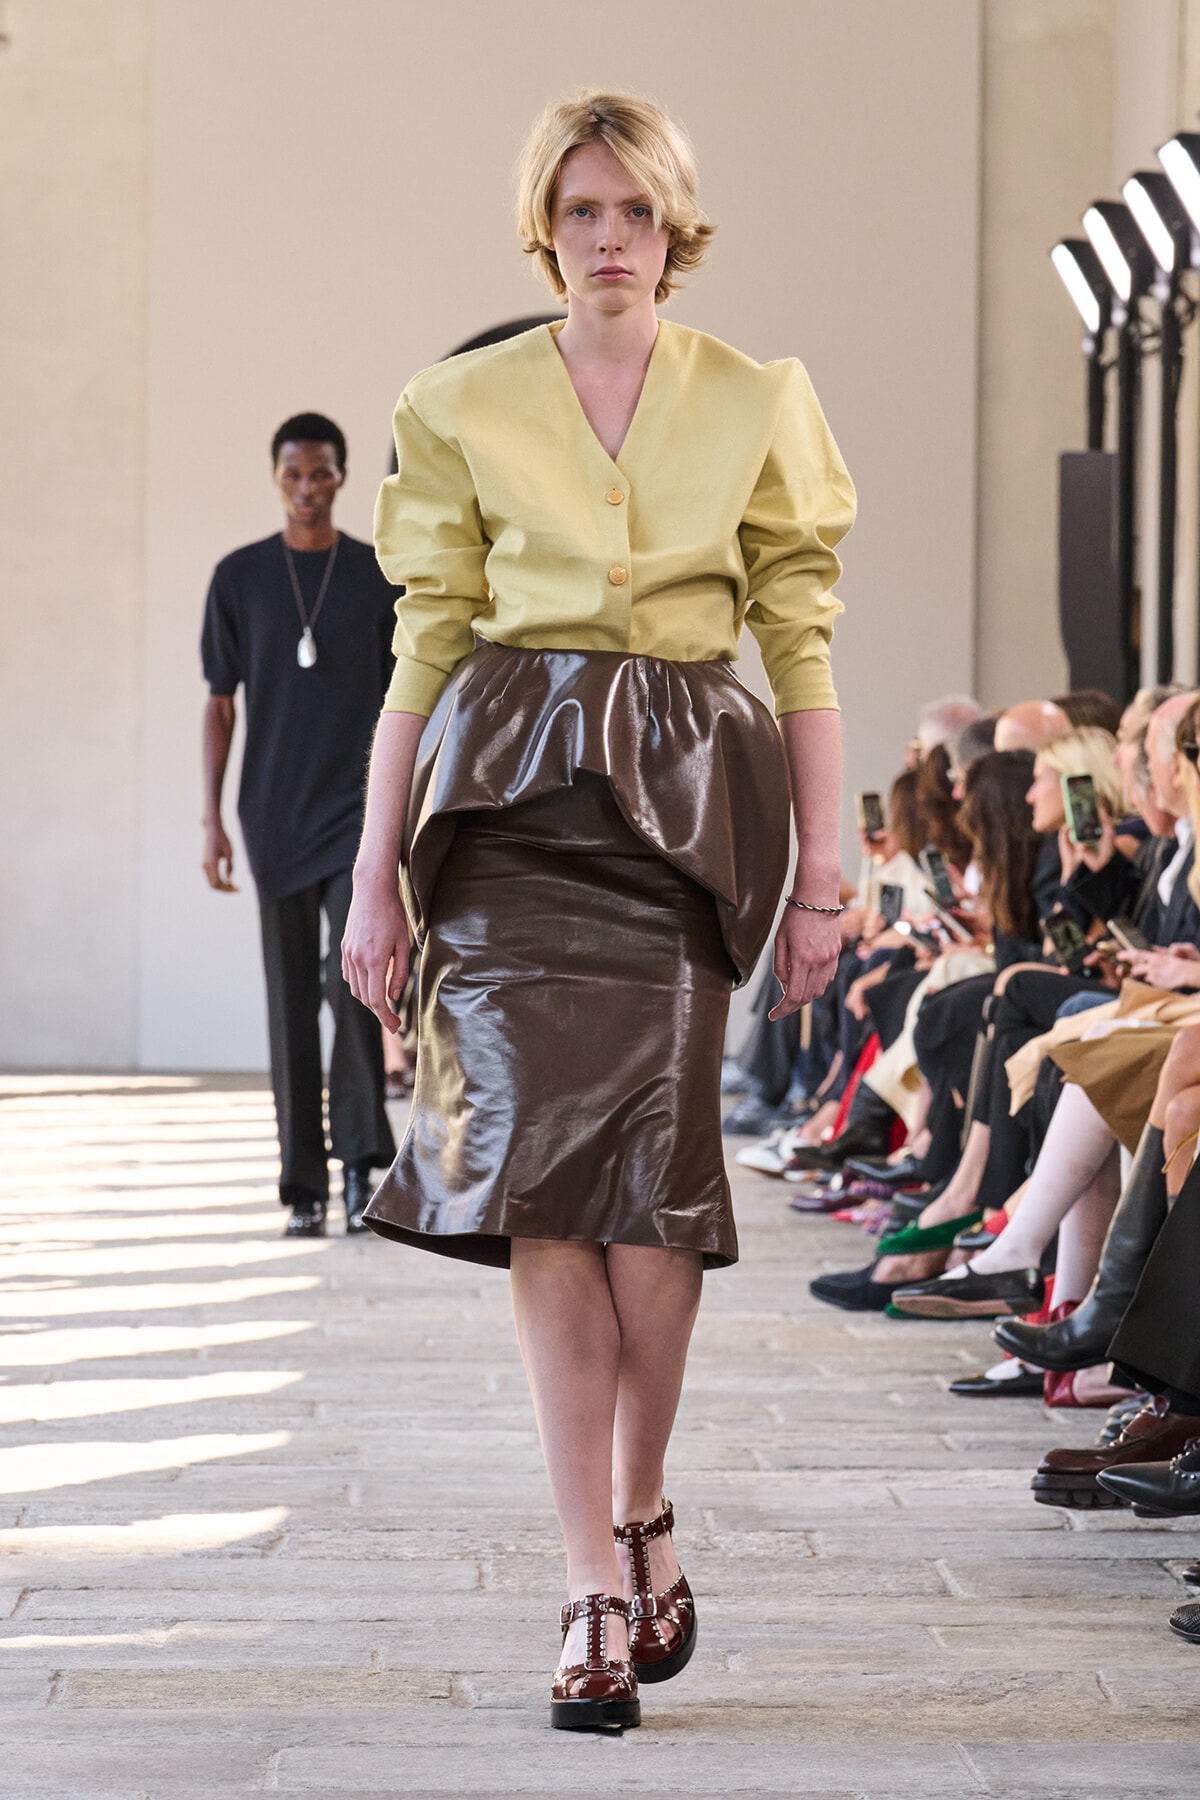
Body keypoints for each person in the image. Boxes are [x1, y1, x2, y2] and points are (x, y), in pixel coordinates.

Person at [340, 90, 853, 1731]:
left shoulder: (757, 399)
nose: (609, 236)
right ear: (543, 228)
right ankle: (585, 1581)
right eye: (580, 209)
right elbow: (424, 644)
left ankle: (642, 1504)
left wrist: (827, 869)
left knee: (655, 1198)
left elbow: (800, 641)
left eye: (635, 209)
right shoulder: (457, 403)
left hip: (683, 820)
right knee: (546, 1195)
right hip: (505, 820)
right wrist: (373, 872)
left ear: (675, 225)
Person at [201, 413, 397, 1238]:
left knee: (352, 987)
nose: (307, 488)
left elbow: (409, 704)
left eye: (320, 473)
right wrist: (210, 820)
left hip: (355, 812)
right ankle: (302, 1187)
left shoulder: (378, 577)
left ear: (342, 475)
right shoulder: (240, 577)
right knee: (288, 1000)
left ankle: (359, 1168)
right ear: (276, 477)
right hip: (273, 812)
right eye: (293, 474)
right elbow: (220, 705)